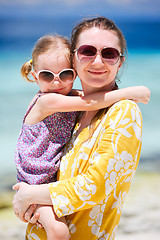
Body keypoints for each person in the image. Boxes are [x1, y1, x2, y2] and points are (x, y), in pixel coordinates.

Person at [13, 17, 150, 240]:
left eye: (109, 53)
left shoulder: (123, 111)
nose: (98, 61)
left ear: (120, 62)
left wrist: (29, 195)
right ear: (74, 60)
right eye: (88, 51)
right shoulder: (71, 114)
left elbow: (96, 186)